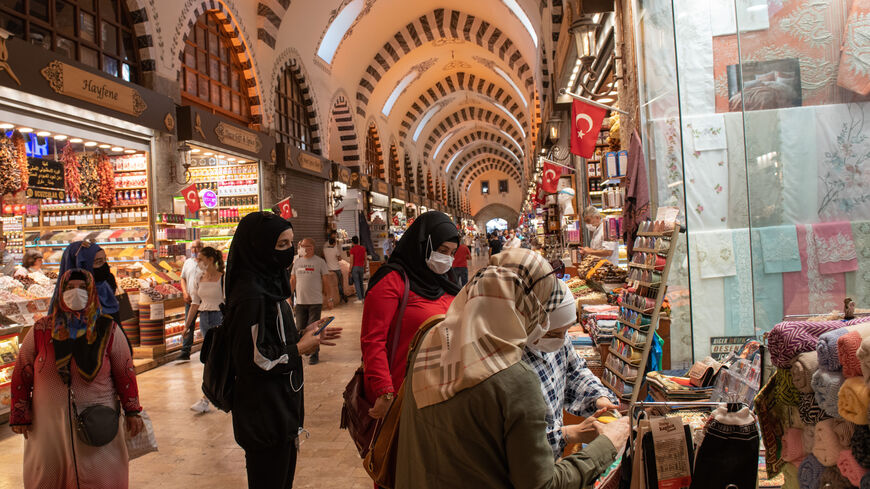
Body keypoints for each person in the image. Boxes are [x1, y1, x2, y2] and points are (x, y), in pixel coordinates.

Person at [395, 248, 629, 488]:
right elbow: (541, 483)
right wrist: (606, 445)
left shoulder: (431, 339)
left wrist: (594, 400)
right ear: (527, 306)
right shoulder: (513, 377)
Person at [224, 212, 341, 489]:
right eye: (280, 245)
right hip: (263, 416)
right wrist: (300, 348)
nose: (289, 252)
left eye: (291, 243)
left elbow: (270, 340)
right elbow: (255, 360)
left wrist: (304, 333)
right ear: (258, 246)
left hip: (281, 412)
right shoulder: (251, 296)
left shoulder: (269, 286)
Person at [10, 268, 144, 488]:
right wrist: (19, 414)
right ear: (60, 292)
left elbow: (125, 372)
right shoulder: (42, 329)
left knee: (102, 476)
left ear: (92, 292)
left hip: (98, 420)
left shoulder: (107, 329)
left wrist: (132, 411)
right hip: (48, 427)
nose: (76, 293)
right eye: (70, 288)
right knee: (49, 476)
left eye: (82, 288)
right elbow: (22, 373)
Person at [361, 211, 461, 422]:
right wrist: (384, 390)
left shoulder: (445, 281)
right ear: (424, 244)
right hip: (402, 391)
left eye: (452, 253)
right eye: (442, 250)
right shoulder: (392, 280)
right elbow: (373, 340)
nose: (447, 259)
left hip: (441, 389)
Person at [523, 279, 620, 459]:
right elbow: (512, 443)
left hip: (552, 463)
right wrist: (568, 434)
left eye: (565, 331)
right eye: (552, 333)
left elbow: (574, 371)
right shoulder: (510, 360)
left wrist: (599, 397)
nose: (561, 339)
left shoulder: (558, 336)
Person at [186, 246, 225, 413]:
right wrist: (187, 326)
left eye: (201, 259)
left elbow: (228, 301)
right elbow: (195, 303)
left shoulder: (223, 278)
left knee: (214, 358)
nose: (198, 261)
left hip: (219, 318)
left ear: (210, 260)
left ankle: (206, 397)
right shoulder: (198, 278)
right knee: (210, 357)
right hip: (205, 319)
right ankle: (210, 396)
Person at [57, 241, 123, 330]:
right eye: (98, 262)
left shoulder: (105, 286)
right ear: (81, 265)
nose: (105, 266)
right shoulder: (74, 295)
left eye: (105, 260)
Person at [290, 238, 330, 365]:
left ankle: (314, 354)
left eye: (307, 246)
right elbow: (293, 279)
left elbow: (326, 281)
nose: (305, 248)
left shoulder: (320, 262)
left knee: (313, 329)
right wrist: (289, 296)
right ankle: (304, 350)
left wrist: (328, 298)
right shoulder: (297, 262)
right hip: (301, 301)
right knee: (300, 328)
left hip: (315, 301)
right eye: (302, 246)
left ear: (312, 247)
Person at [178, 239, 204, 361]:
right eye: (192, 248)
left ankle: (208, 348)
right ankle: (185, 350)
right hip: (190, 299)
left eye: (197, 247)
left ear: (202, 248)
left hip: (204, 300)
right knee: (189, 323)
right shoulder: (188, 262)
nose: (194, 250)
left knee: (206, 325)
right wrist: (184, 292)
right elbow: (182, 278)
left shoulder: (207, 263)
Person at [323, 232, 349, 304]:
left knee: (334, 285)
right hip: (336, 268)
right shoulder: (335, 249)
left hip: (329, 269)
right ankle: (342, 295)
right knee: (339, 283)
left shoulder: (325, 249)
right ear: (334, 243)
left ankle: (338, 298)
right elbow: (340, 259)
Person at [349, 236, 368, 303]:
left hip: (355, 268)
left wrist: (350, 270)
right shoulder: (363, 248)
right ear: (358, 241)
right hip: (361, 267)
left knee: (357, 283)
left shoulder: (352, 249)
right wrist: (365, 268)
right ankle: (363, 297)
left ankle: (359, 299)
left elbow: (351, 261)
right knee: (361, 283)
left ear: (352, 242)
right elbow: (365, 259)